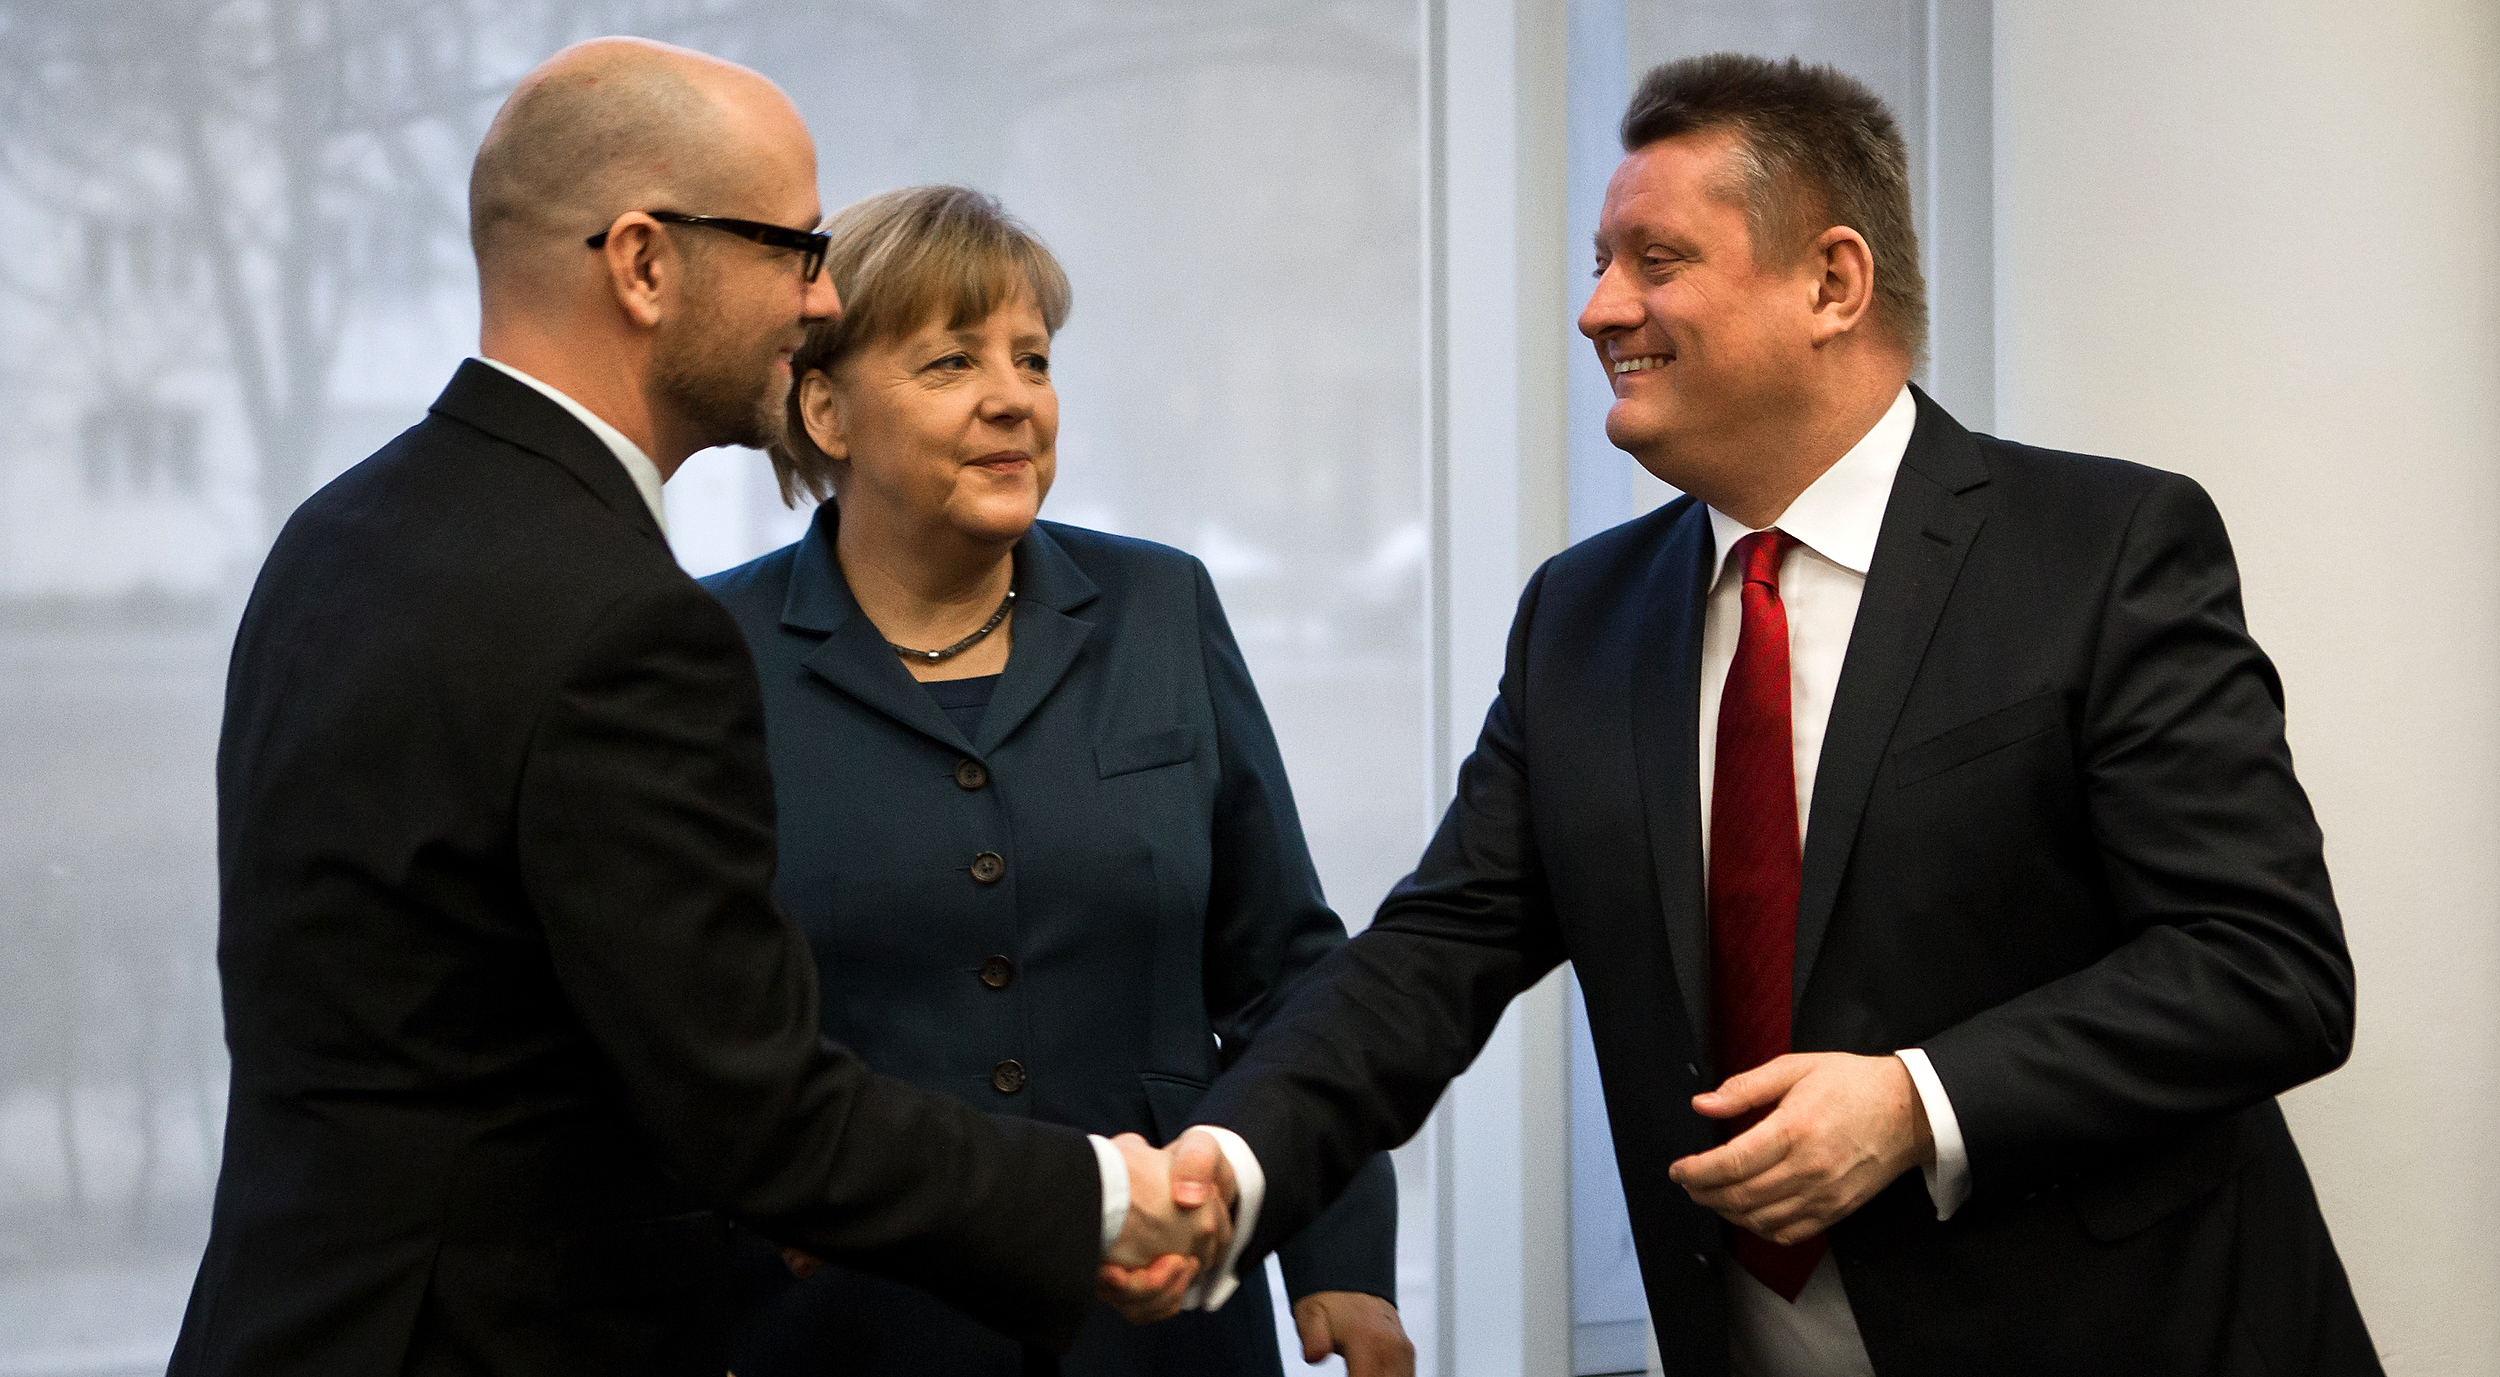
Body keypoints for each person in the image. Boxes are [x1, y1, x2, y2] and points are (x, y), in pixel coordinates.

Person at [1146, 53, 2380, 1376]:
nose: (1598, 308)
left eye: (1656, 261)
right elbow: (1430, 955)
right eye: (1599, 262)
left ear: (1832, 284)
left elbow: (2265, 966)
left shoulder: (2102, 549)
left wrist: (1915, 1101)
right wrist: (1227, 1161)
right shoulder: (1581, 620)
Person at [170, 40, 1223, 1377]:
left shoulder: (338, 533)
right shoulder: (626, 621)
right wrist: (1106, 1197)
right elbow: (757, 1110)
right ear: (644, 264)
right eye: (795, 248)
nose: (821, 297)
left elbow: (471, 1012)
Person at [697, 184, 1413, 1377]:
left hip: (1160, 1322)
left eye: (1031, 358)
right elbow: (681, 1029)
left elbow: (1284, 969)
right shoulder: (708, 654)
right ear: (825, 409)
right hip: (851, 1326)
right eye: (950, 362)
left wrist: (1339, 1251)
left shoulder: (1161, 608)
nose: (1012, 397)